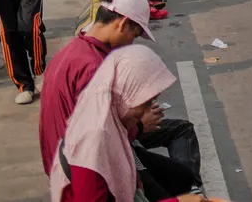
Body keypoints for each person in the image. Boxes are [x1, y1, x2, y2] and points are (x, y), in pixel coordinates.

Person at [47, 44, 222, 202]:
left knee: (181, 177)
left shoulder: (108, 120)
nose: (146, 112)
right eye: (145, 103)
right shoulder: (94, 144)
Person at [38, 0, 155, 175]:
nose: (132, 43)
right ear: (123, 24)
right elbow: (103, 138)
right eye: (134, 35)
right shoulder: (93, 67)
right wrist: (140, 126)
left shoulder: (74, 50)